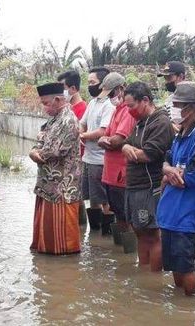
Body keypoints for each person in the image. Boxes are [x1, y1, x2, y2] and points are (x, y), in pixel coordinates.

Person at [158, 82, 195, 296]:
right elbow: (167, 160)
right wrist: (168, 170)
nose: (173, 108)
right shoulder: (182, 131)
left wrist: (171, 174)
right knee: (173, 264)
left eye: (177, 104)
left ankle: (189, 306)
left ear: (190, 108)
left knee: (185, 264)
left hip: (185, 213)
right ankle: (178, 305)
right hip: (170, 209)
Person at [122, 82, 174, 264]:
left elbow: (149, 154)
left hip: (149, 186)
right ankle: (143, 275)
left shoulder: (161, 122)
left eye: (131, 105)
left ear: (145, 100)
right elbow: (126, 143)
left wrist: (132, 152)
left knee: (151, 234)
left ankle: (153, 278)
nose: (129, 110)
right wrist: (128, 147)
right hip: (134, 185)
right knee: (139, 231)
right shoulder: (140, 122)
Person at [29, 82, 82, 255]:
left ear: (58, 99)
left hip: (62, 187)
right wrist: (36, 149)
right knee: (48, 237)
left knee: (63, 245)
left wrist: (35, 153)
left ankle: (64, 271)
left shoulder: (68, 120)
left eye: (46, 103)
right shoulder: (54, 118)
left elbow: (54, 150)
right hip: (49, 184)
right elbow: (41, 137)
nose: (44, 108)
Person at [98, 73, 136, 243]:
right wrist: (107, 141)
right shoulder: (116, 111)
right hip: (110, 174)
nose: (111, 98)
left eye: (112, 94)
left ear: (121, 89)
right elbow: (105, 137)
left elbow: (117, 140)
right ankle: (121, 255)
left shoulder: (128, 111)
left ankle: (129, 259)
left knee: (126, 216)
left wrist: (107, 141)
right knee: (118, 214)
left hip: (121, 173)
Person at [80, 67, 114, 233]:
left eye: (93, 83)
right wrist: (82, 132)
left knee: (104, 199)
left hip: (100, 160)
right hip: (87, 158)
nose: (90, 86)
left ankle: (107, 233)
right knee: (92, 198)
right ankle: (94, 235)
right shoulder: (93, 103)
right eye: (89, 83)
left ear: (103, 84)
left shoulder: (109, 105)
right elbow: (82, 122)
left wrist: (83, 135)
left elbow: (103, 131)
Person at [58, 70, 88, 225]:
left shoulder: (83, 109)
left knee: (77, 198)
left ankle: (81, 231)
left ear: (73, 89)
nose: (61, 91)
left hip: (79, 159)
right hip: (67, 161)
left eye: (63, 87)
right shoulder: (65, 109)